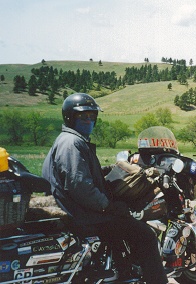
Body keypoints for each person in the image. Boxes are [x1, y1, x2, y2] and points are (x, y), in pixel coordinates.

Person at [42, 93, 168, 284]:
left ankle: (124, 271)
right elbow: (79, 185)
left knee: (122, 223)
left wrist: (108, 170)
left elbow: (80, 175)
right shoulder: (72, 143)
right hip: (81, 212)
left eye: (92, 116)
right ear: (69, 117)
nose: (89, 120)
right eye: (83, 116)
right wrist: (108, 206)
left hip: (74, 206)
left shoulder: (69, 140)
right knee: (145, 235)